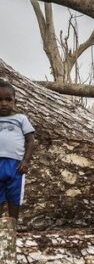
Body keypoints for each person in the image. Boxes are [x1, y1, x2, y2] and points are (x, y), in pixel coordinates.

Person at [0, 79, 35, 221]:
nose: (3, 103)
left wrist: (25, 161)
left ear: (15, 102)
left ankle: (12, 227)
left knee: (14, 197)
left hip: (15, 166)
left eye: (8, 100)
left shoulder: (20, 119)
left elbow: (31, 141)